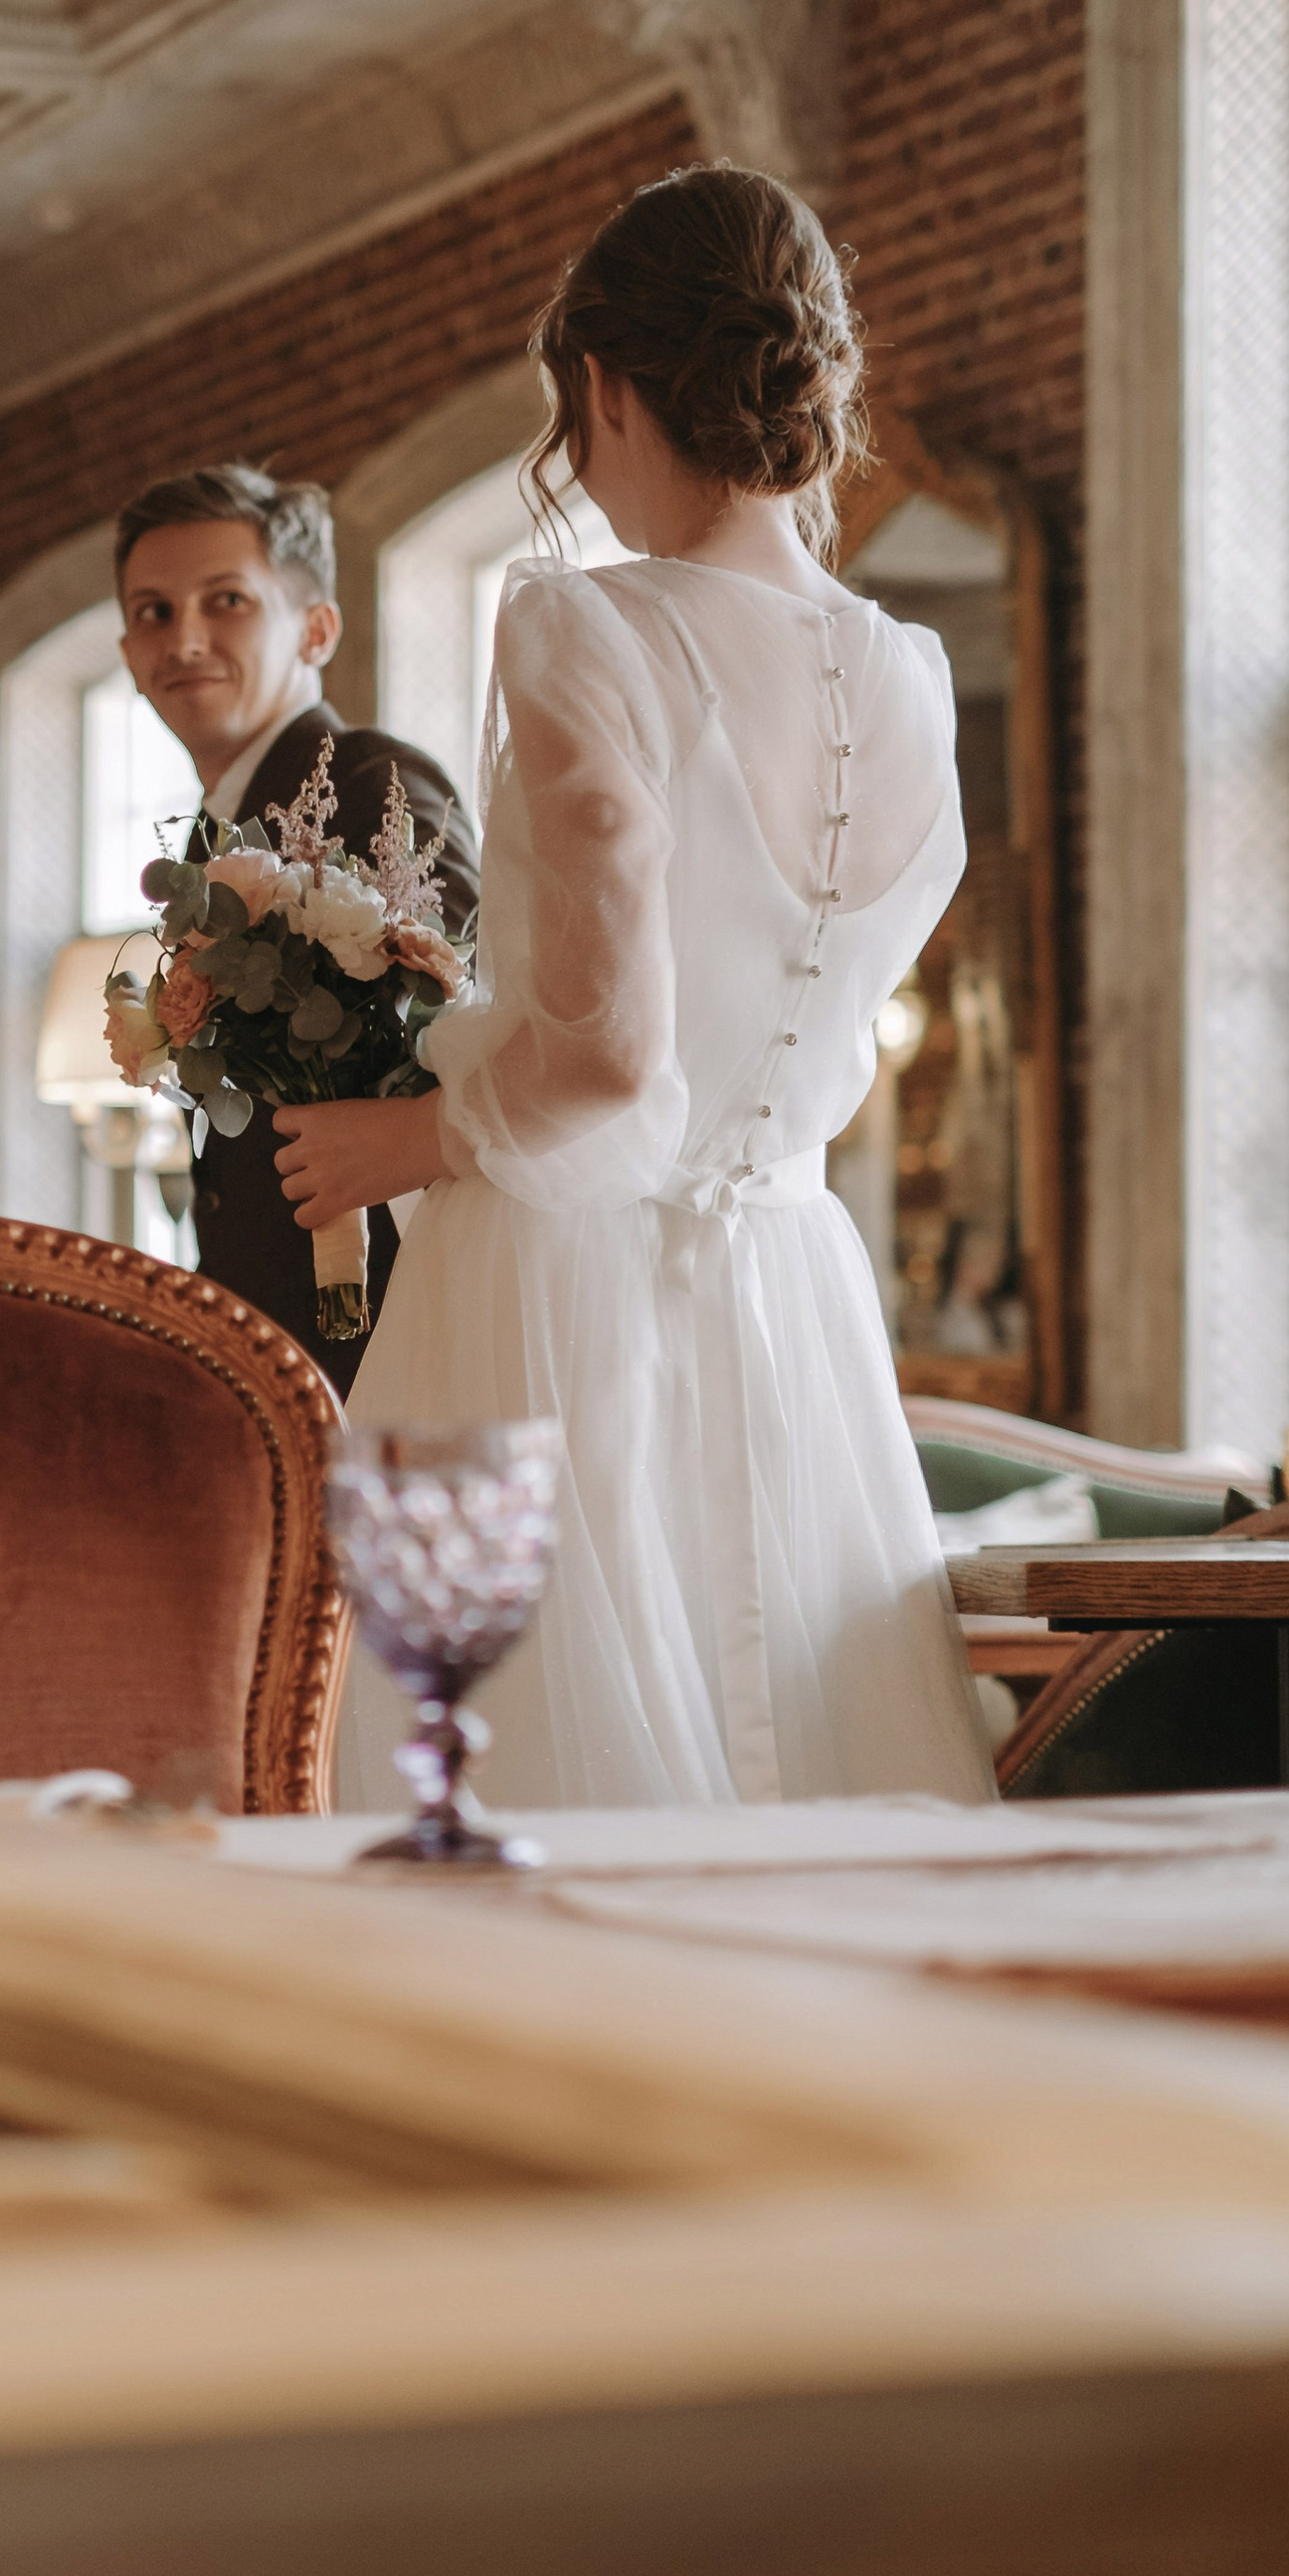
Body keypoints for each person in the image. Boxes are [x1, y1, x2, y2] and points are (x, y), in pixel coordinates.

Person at [272, 168, 994, 1804]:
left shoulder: (588, 629)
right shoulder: (913, 676)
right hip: (794, 1293)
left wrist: (417, 1138)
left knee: (510, 1813)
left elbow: (604, 1060)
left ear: (602, 387)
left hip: (558, 1293)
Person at [112, 461, 478, 1396]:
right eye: (152, 612)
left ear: (316, 628)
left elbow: (469, 1011)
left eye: (224, 600)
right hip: (269, 1335)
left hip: (388, 1329)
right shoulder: (207, 836)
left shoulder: (374, 782)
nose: (183, 637)